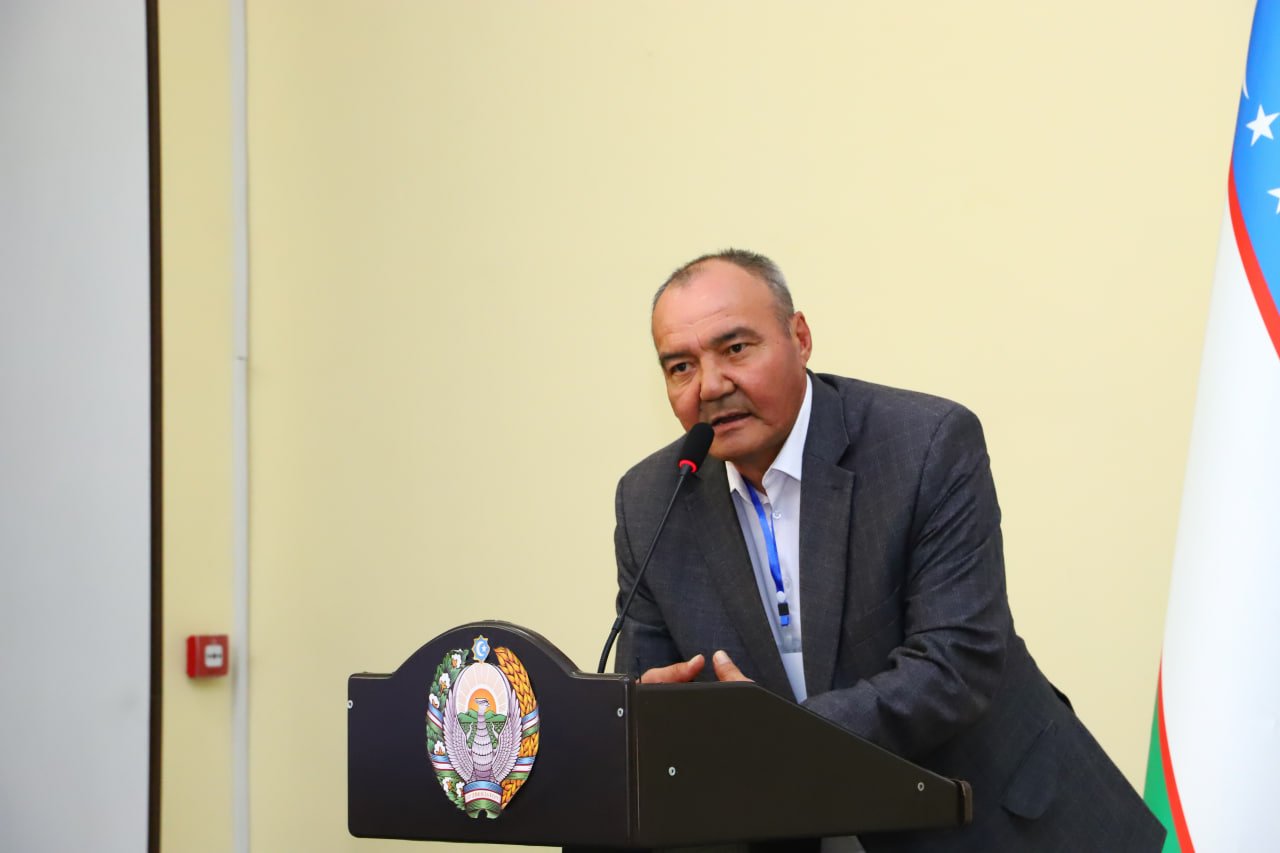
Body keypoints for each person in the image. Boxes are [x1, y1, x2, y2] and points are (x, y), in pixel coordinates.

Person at [612, 250, 1164, 852]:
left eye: (736, 349)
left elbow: (954, 665)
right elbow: (647, 697)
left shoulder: (924, 445)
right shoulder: (652, 500)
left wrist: (777, 736)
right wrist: (653, 720)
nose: (712, 386)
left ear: (800, 338)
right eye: (681, 367)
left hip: (997, 822)